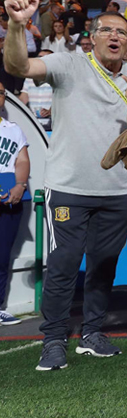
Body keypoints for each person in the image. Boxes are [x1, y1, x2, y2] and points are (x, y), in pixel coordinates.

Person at [3, 0, 127, 370]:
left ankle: (92, 334)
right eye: (107, 30)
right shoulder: (68, 63)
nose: (114, 36)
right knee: (65, 263)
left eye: (121, 32)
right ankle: (53, 340)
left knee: (104, 264)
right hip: (68, 187)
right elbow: (18, 67)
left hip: (117, 191)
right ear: (93, 35)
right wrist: (18, 25)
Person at [0, 80, 29, 326]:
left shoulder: (13, 129)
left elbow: (22, 160)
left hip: (10, 197)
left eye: (0, 93)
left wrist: (20, 184)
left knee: (1, 255)